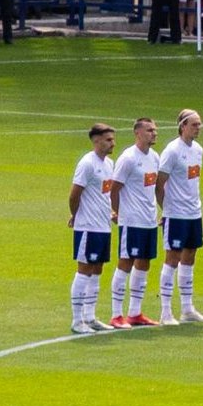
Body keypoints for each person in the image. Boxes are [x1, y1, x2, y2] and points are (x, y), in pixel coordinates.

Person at [109, 116, 166, 329]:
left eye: (155, 130)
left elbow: (156, 189)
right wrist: (116, 212)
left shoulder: (154, 157)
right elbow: (114, 188)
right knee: (125, 263)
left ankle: (135, 312)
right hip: (131, 220)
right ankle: (116, 314)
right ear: (138, 133)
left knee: (144, 263)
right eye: (150, 130)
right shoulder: (128, 158)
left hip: (149, 220)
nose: (154, 133)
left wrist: (163, 210)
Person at [66, 122, 119, 335]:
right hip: (87, 226)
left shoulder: (109, 163)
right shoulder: (87, 164)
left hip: (103, 225)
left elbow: (104, 194)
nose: (112, 143)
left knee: (97, 270)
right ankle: (77, 320)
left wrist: (111, 213)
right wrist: (76, 215)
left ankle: (90, 316)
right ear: (96, 141)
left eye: (112, 139)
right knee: (84, 270)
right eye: (108, 140)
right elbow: (74, 194)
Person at [157, 108, 203, 324]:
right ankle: (166, 311)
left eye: (199, 124)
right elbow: (159, 184)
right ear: (182, 126)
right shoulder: (172, 151)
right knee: (172, 259)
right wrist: (166, 209)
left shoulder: (198, 149)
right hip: (176, 214)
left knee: (190, 257)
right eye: (194, 124)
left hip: (193, 212)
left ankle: (187, 309)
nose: (198, 128)